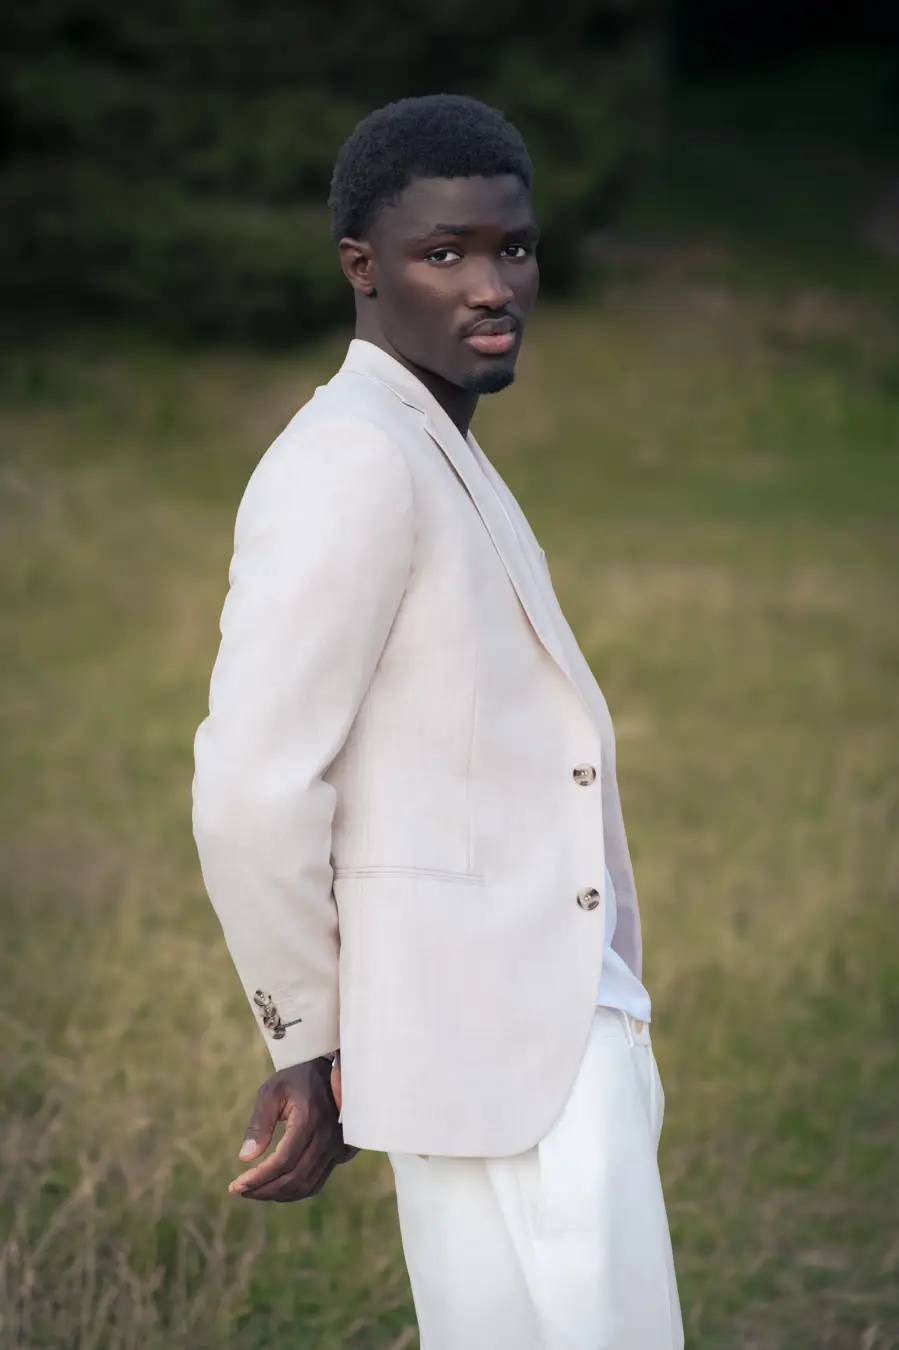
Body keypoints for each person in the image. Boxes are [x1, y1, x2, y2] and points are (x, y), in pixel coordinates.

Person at [192, 93, 684, 1350]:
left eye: (510, 248)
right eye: (442, 253)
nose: (489, 286)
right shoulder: (353, 456)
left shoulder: (433, 442)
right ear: (362, 269)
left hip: (514, 1023)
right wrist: (311, 1039)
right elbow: (254, 784)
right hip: (498, 1032)